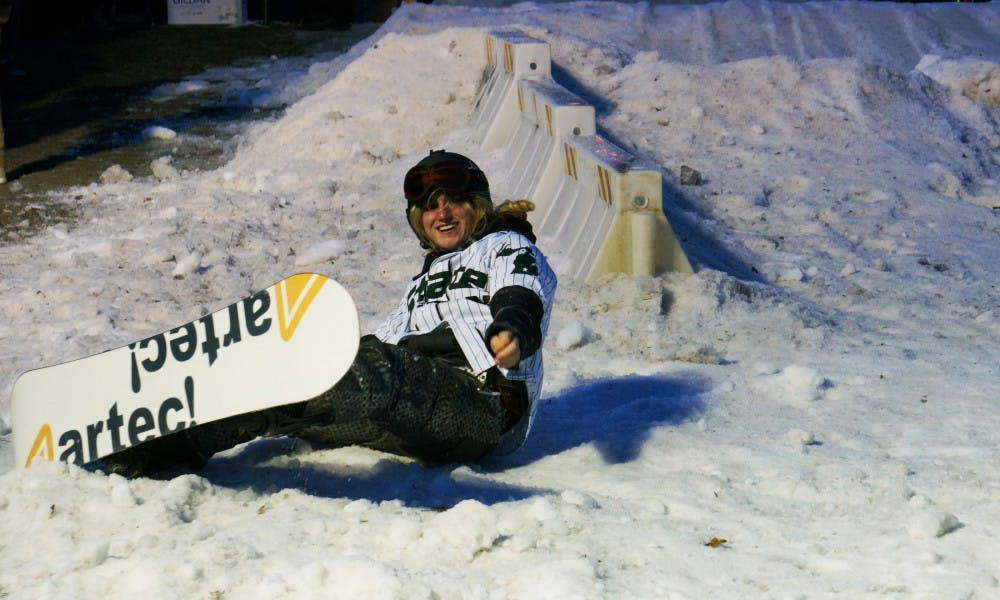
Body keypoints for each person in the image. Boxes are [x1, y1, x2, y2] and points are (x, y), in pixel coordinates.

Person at [103, 150, 557, 477]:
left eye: (453, 202)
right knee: (295, 400)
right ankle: (164, 445)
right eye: (429, 206)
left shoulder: (507, 245)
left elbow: (521, 295)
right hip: (415, 412)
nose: (442, 213)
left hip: (481, 404)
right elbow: (383, 350)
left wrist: (512, 329)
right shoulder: (422, 283)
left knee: (351, 372)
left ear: (476, 204)